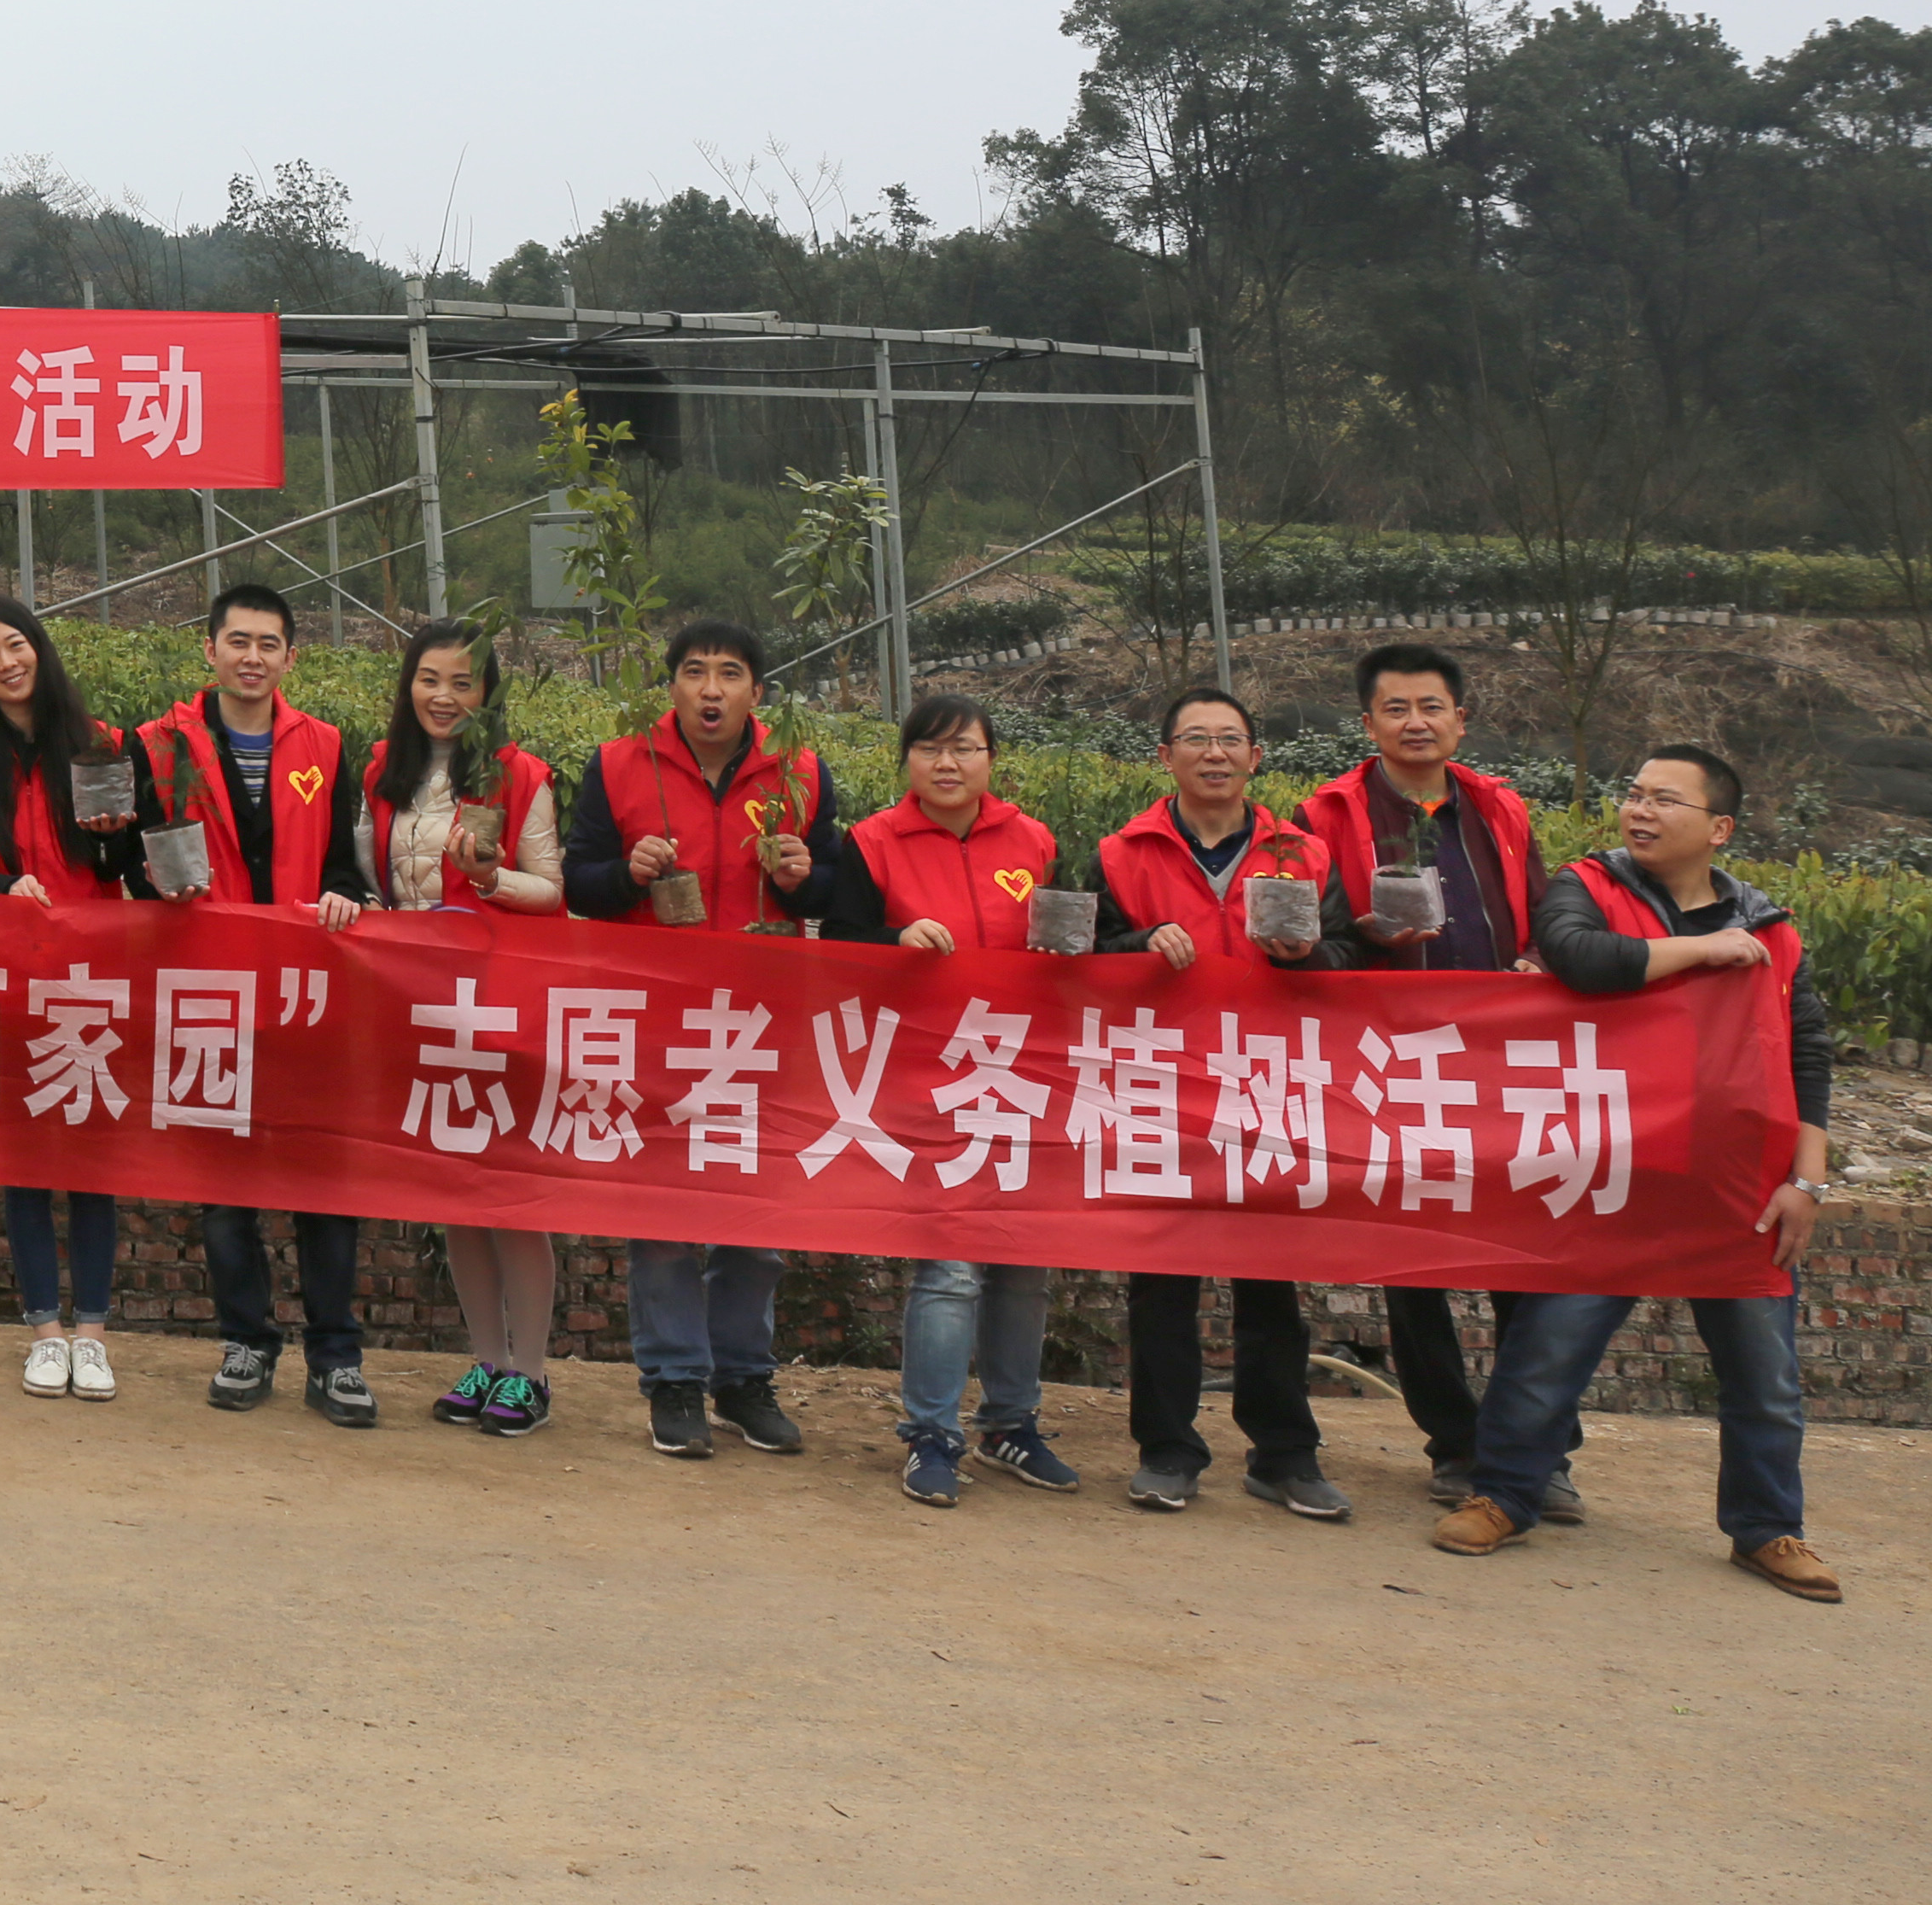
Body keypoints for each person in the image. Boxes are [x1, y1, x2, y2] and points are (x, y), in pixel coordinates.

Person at [1434, 744, 1841, 1600]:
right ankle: (1505, 1494)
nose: (1639, 811)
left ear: (1718, 828)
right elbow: (1582, 958)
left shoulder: (1773, 931)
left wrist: (1806, 1183)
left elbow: (1806, 1056)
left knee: (1764, 1378)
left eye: (1665, 799)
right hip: (1607, 1173)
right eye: (1634, 794)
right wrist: (1703, 954)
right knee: (1548, 1348)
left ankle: (1770, 1529)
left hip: (1734, 1187)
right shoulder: (1589, 887)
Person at [559, 617, 843, 1459]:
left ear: (758, 691)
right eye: (693, 671)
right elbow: (580, 881)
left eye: (729, 673)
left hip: (761, 1022)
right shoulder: (620, 765)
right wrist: (627, 873)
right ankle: (674, 1379)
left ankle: (744, 1378)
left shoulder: (799, 771)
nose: (710, 688)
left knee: (754, 1213)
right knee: (665, 1212)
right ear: (671, 686)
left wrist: (802, 878)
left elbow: (838, 888)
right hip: (656, 1021)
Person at [1294, 642, 1555, 1511]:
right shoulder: (1325, 815)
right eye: (1397, 709)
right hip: (1391, 1063)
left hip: (1500, 1062)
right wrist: (1366, 939)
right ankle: (1456, 1446)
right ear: (1367, 724)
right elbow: (1314, 945)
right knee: (1414, 1266)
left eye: (1431, 707)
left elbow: (1541, 915)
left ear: (1460, 719)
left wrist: (1534, 959)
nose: (1416, 722)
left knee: (1522, 1257)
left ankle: (1537, 1448)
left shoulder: (1498, 809)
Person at [1092, 683, 1356, 1520]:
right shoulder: (1117, 854)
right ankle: (1168, 1448)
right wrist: (1136, 947)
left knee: (1272, 1278)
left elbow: (1351, 959)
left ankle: (1284, 1453)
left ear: (1256, 757)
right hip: (1159, 1085)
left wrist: (1308, 955)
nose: (1214, 752)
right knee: (1161, 1277)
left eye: (1229, 739)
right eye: (1195, 739)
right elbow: (1069, 955)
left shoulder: (1303, 853)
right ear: (1164, 756)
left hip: (1269, 1082)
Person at [831, 695, 1097, 1508]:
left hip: (1023, 1075)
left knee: (1022, 1260)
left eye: (966, 749)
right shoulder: (871, 843)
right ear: (906, 759)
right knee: (949, 1264)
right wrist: (894, 943)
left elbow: (1072, 940)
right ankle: (933, 1436)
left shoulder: (1034, 841)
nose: (948, 764)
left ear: (992, 759)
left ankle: (1012, 1424)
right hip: (926, 1076)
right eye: (931, 748)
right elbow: (838, 945)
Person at [135, 581, 379, 1427]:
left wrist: (347, 895)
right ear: (209, 650)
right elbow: (133, 866)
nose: (251, 657)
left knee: (322, 1183)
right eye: (237, 641)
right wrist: (155, 886)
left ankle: (336, 1354)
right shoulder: (159, 746)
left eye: (267, 644)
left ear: (290, 658)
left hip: (307, 995)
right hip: (210, 986)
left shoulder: (324, 744)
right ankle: (246, 1340)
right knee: (225, 1187)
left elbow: (348, 866)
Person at [0, 594, 139, 1398]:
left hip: (91, 976)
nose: (6, 663)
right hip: (11, 968)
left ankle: (93, 1333)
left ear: (39, 650)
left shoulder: (102, 744)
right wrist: (3, 881)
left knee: (90, 1156)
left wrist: (114, 844)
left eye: (16, 646)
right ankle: (44, 1329)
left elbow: (125, 875)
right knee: (24, 1158)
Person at [353, 619, 565, 1440]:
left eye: (463, 683)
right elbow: (367, 874)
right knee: (456, 1198)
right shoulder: (381, 770)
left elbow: (551, 890)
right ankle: (488, 1360)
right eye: (430, 680)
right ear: (409, 687)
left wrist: (492, 878)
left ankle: (534, 1373)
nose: (444, 697)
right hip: (415, 1005)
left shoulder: (520, 776)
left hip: (497, 1003)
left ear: (488, 693)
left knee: (509, 1194)